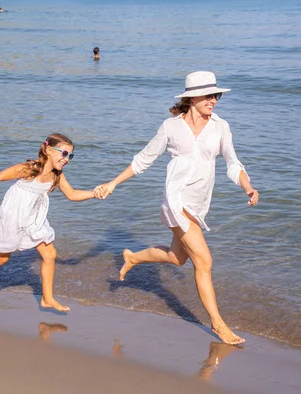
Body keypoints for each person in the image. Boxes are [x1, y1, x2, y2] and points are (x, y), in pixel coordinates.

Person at [95, 71, 259, 345]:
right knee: (204, 261)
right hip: (175, 199)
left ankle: (132, 258)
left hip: (197, 204)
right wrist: (113, 183)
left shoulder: (221, 127)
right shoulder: (170, 127)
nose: (214, 101)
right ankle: (218, 325)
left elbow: (233, 163)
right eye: (208, 95)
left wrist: (248, 187)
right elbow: (143, 160)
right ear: (192, 98)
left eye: (216, 95)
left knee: (176, 258)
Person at [0, 133, 97, 311]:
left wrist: (95, 193)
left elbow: (72, 194)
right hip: (14, 215)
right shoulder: (28, 169)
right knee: (1, 258)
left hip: (35, 217)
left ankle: (47, 299)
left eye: (70, 155)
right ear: (47, 150)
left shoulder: (57, 175)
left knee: (50, 254)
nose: (66, 159)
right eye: (63, 153)